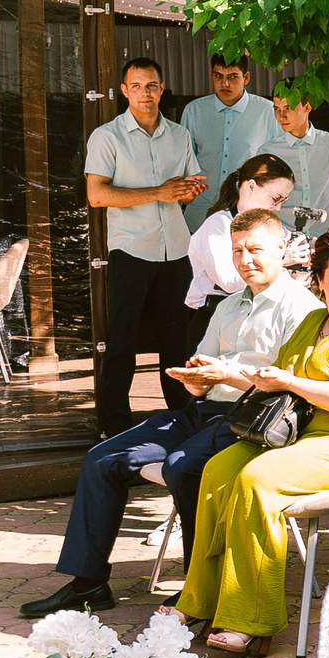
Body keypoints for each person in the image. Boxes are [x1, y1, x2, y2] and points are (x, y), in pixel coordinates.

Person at [23, 209, 319, 617]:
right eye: (237, 251)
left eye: (255, 250)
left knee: (183, 467)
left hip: (254, 418)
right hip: (204, 410)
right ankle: (89, 584)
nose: (245, 260)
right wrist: (195, 378)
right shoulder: (229, 305)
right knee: (102, 458)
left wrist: (227, 376)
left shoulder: (302, 307)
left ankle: (203, 587)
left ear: (282, 248)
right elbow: (207, 361)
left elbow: (288, 383)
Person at [176, 224, 329, 658]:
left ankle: (250, 617)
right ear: (319, 281)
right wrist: (219, 374)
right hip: (305, 437)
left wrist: (292, 382)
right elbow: (275, 381)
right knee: (217, 470)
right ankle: (200, 600)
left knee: (257, 479)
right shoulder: (313, 322)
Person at [85, 57, 210, 435]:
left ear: (161, 87)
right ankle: (114, 426)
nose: (145, 93)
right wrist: (159, 192)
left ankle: (180, 419)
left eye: (151, 85)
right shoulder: (107, 137)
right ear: (124, 91)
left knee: (177, 342)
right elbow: (96, 195)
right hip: (132, 250)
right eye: (136, 86)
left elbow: (188, 184)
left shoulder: (178, 135)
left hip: (175, 248)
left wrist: (190, 189)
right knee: (122, 342)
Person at [184, 154, 296, 353]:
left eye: (283, 200)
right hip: (213, 317)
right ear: (251, 186)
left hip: (257, 317)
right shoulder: (218, 224)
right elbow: (228, 281)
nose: (278, 207)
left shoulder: (276, 230)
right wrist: (283, 261)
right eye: (276, 198)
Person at [179, 53, 278, 233]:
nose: (225, 84)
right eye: (219, 76)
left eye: (232, 77)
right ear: (211, 75)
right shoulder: (194, 111)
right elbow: (182, 162)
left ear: (246, 77)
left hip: (247, 212)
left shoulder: (267, 112)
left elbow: (277, 164)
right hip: (200, 213)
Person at [266, 93, 329, 235]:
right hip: (281, 241)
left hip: (326, 240)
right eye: (277, 109)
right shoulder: (268, 151)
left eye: (288, 108)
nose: (281, 116)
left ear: (307, 107)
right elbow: (262, 205)